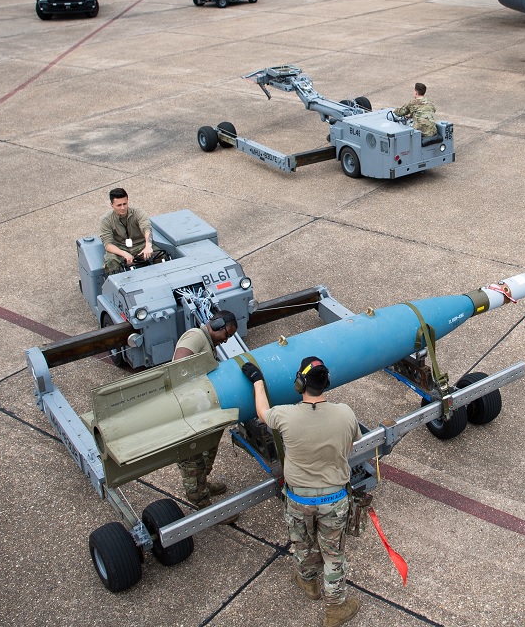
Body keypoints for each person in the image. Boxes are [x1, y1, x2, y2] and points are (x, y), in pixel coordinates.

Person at [242, 357, 362, 627]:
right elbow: (352, 443)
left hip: (298, 499)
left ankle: (309, 584)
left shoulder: (286, 415)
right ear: (326, 382)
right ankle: (335, 609)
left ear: (300, 384)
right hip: (334, 500)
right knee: (333, 554)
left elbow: (262, 412)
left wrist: (257, 381)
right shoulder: (345, 413)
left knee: (303, 544)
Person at [174, 310, 239, 508]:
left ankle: (202, 485)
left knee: (206, 454)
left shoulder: (208, 344)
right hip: (188, 412)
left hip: (202, 411)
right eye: (226, 335)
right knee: (193, 461)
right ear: (216, 324)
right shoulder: (196, 336)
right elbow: (179, 366)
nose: (226, 341)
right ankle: (202, 504)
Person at [98, 187, 167, 274]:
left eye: (125, 204)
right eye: (119, 205)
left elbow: (147, 229)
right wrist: (124, 254)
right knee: (111, 265)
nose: (123, 208)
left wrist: (148, 246)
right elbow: (108, 244)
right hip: (120, 248)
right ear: (112, 205)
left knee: (161, 257)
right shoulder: (106, 220)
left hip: (140, 246)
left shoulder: (138, 213)